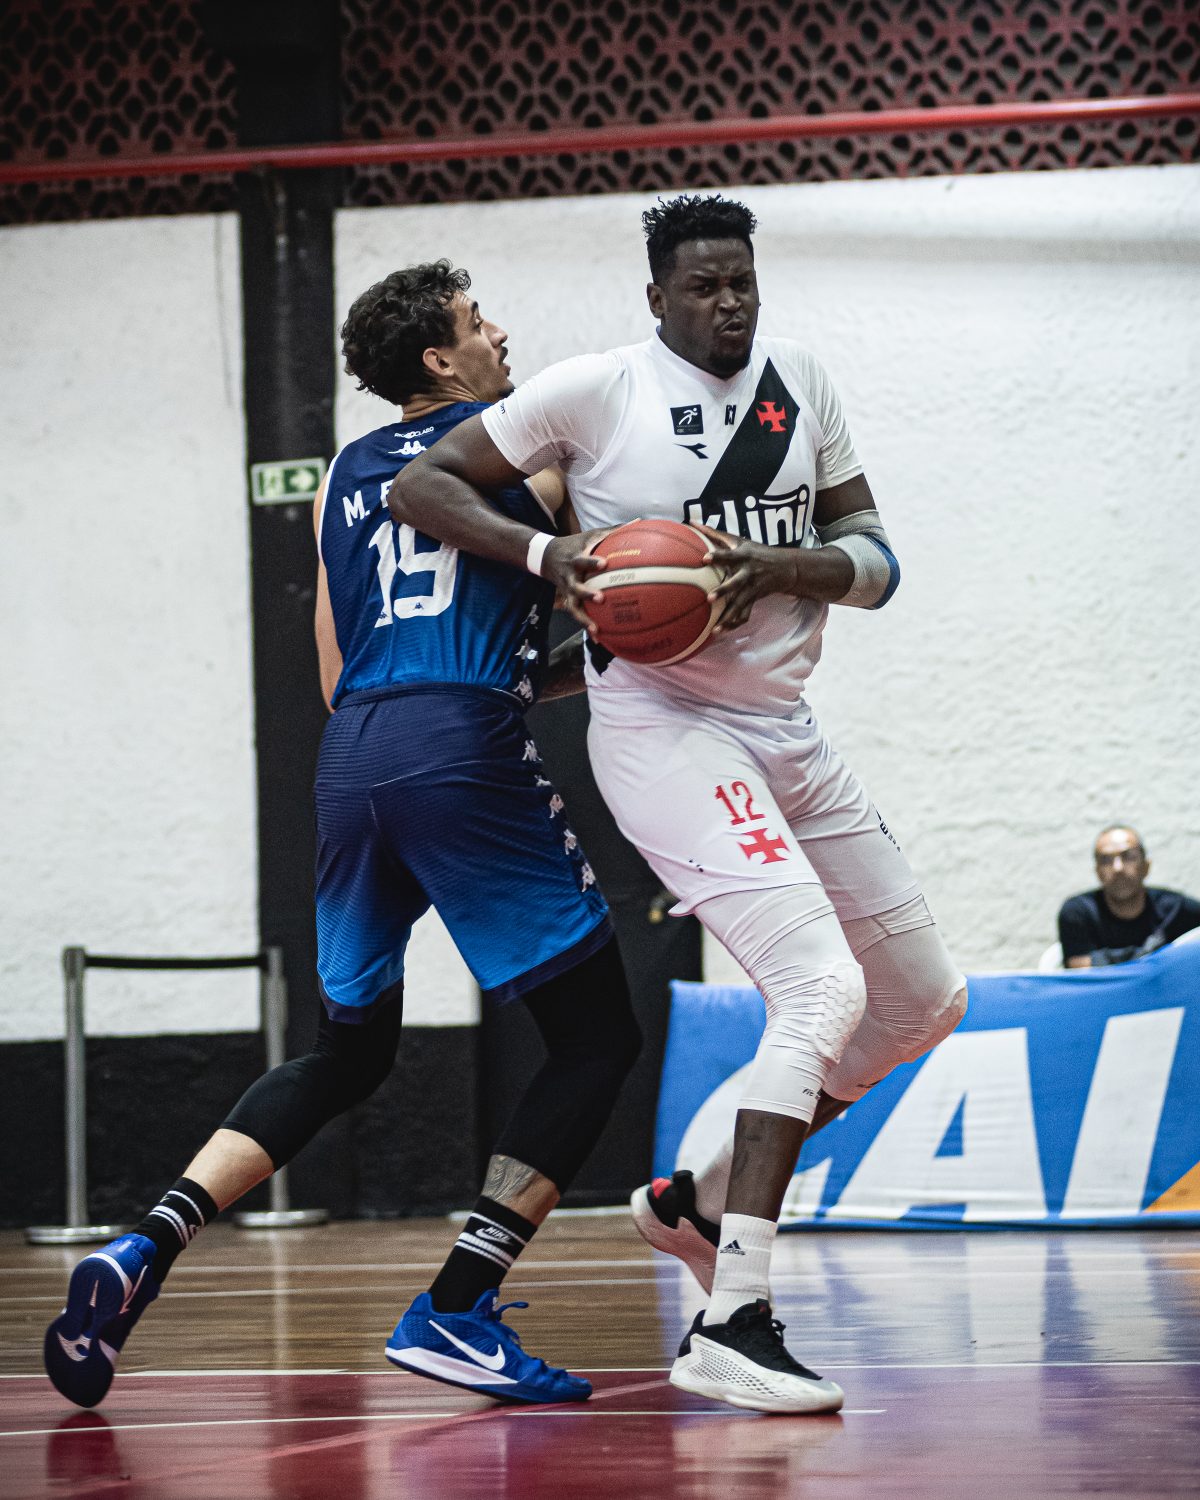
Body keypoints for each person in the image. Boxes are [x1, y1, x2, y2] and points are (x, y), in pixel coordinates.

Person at [388, 194, 967, 1415]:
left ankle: (693, 1205)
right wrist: (546, 555)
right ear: (658, 297)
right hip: (663, 732)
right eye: (703, 286)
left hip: (786, 730)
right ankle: (733, 1321)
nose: (729, 303)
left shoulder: (801, 381)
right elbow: (423, 488)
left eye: (741, 281)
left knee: (924, 1002)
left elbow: (877, 563)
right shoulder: (596, 391)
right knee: (821, 989)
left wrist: (773, 568)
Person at [44, 261, 640, 1411]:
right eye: (478, 321)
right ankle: (458, 1305)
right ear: (440, 357)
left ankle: (145, 1243)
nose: (501, 333)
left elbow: (335, 672)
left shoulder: (339, 476)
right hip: (459, 745)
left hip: (354, 755)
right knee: (595, 1039)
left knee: (348, 1054)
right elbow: (604, 603)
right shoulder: (532, 451)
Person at [1058, 825, 1200, 968]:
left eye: (1128, 856)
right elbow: (1078, 967)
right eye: (1106, 860)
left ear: (1146, 866)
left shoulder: (1177, 909)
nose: (1118, 868)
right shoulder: (1079, 913)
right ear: (1097, 871)